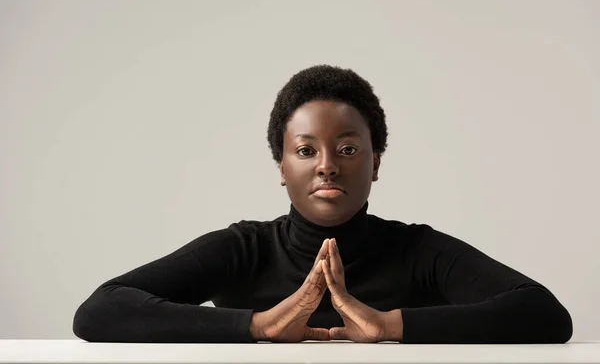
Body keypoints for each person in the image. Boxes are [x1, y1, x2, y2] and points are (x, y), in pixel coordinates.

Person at [72, 65, 573, 344]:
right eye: (306, 151)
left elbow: (544, 314)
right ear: (282, 167)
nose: (328, 166)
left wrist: (389, 325)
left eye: (348, 150)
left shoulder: (417, 249)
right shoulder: (243, 248)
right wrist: (258, 325)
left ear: (376, 164)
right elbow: (100, 310)